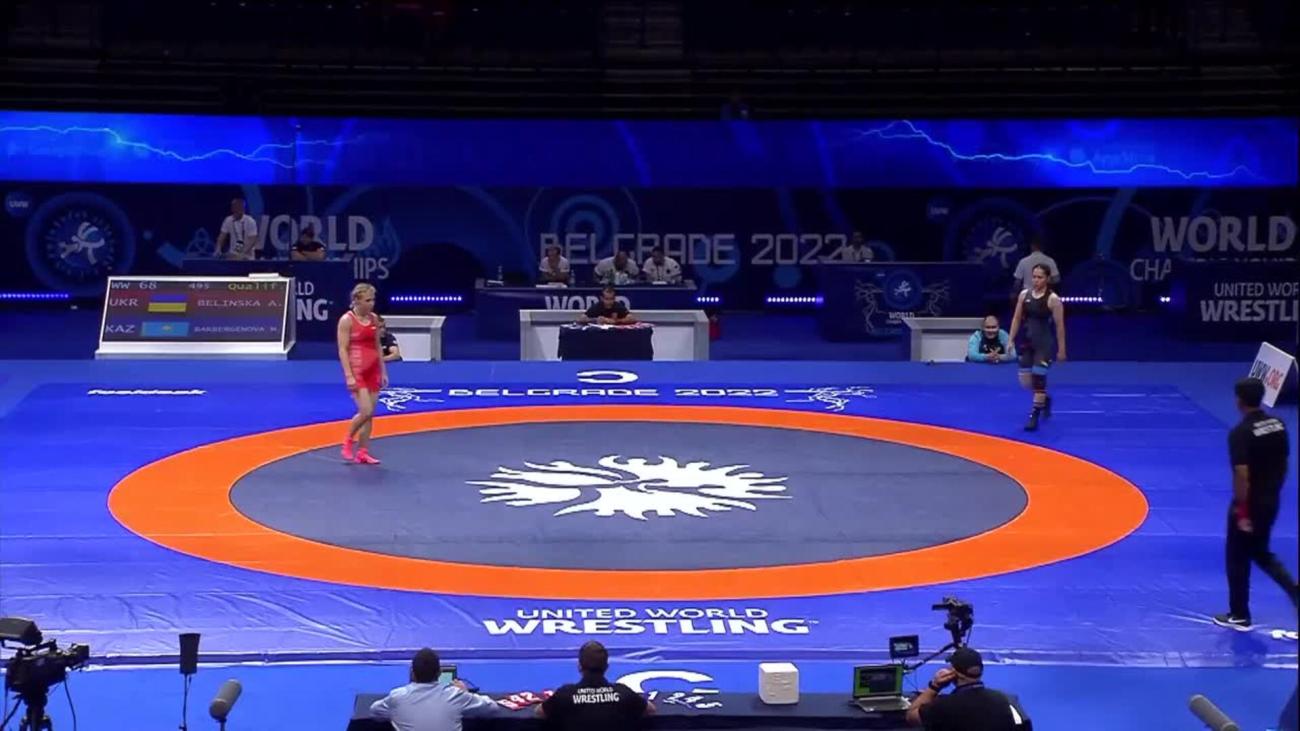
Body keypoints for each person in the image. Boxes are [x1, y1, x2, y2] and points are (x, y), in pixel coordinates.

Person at [1214, 377, 1298, 630]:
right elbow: (1284, 462)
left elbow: (1242, 474)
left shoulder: (1240, 433)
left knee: (1237, 556)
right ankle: (1294, 590)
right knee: (1259, 551)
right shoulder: (1278, 425)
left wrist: (1242, 511)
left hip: (1250, 503)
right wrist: (1273, 491)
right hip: (1271, 497)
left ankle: (1239, 614)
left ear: (1239, 401)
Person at [370, 648, 498, 731]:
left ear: (412, 673)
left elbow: (375, 712)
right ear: (439, 673)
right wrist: (466, 693)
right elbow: (492, 708)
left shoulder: (397, 697)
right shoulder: (455, 695)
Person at [537, 641, 654, 731]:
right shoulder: (623, 693)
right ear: (606, 667)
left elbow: (540, 712)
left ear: (579, 666)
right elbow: (650, 709)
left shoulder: (565, 695)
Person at [1007, 264, 1065, 432]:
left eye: (1040, 277)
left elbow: (1060, 326)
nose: (1036, 280)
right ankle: (1044, 398)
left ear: (1047, 279)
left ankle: (1034, 415)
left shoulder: (1053, 299)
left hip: (1044, 345)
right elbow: (1016, 318)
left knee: (1039, 379)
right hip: (1028, 342)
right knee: (1026, 381)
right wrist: (1010, 339)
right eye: (1034, 277)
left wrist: (1062, 350)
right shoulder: (1024, 295)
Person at [905, 648, 1020, 730]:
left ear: (954, 672)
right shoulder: (1001, 700)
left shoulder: (943, 705)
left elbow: (911, 717)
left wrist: (934, 687)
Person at [337, 283, 387, 464]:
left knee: (370, 414)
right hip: (357, 370)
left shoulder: (373, 319)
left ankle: (363, 452)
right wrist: (348, 375)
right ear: (357, 301)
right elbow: (343, 349)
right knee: (365, 411)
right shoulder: (347, 320)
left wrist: (383, 370)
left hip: (372, 370)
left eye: (373, 300)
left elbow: (377, 346)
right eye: (367, 300)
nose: (371, 304)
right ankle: (348, 440)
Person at [1009, 236, 1059, 307]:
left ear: (1032, 246)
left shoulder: (1023, 262)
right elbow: (1057, 280)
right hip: (1045, 297)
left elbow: (1017, 282)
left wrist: (1014, 294)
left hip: (1027, 297)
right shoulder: (1050, 261)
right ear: (1043, 247)